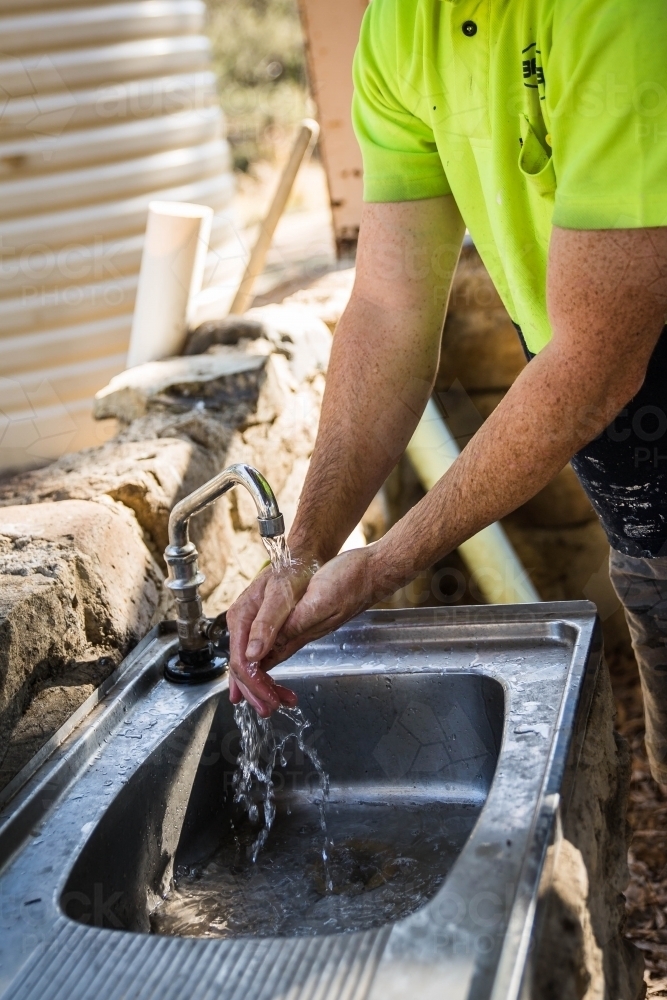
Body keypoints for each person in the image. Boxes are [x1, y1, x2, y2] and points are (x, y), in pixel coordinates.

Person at [226, 0, 667, 783]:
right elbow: (390, 311)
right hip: (642, 505)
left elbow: (597, 360)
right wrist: (303, 551)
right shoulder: (399, 29)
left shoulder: (621, 17)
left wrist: (380, 564)